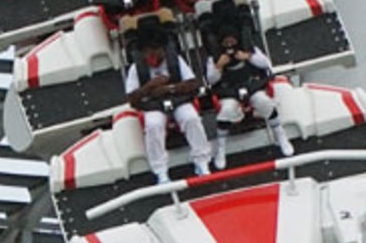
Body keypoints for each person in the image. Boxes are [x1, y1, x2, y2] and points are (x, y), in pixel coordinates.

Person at [125, 28, 212, 183]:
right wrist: (150, 86)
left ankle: (202, 161)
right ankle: (160, 171)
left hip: (178, 99)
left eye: (157, 50)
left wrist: (169, 88)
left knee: (191, 118)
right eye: (148, 51)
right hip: (152, 104)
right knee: (153, 126)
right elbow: (132, 98)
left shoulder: (175, 60)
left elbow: (193, 83)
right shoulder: (136, 68)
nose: (153, 54)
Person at [205, 25, 294, 170]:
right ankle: (221, 149)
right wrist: (219, 66)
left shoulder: (249, 49)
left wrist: (248, 56)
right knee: (226, 110)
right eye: (225, 42)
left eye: (232, 40)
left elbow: (266, 64)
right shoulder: (214, 57)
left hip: (251, 86)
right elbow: (211, 80)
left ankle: (280, 135)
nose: (229, 45)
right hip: (229, 91)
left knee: (264, 101)